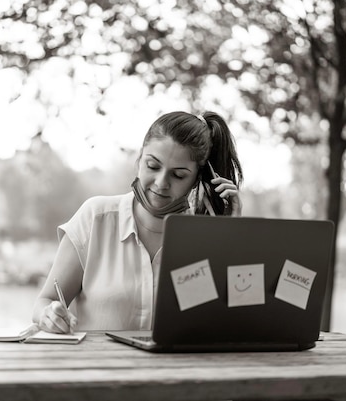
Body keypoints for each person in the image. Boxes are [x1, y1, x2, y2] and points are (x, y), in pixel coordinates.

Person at [30, 111, 243, 333]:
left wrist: (228, 234)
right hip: (97, 366)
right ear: (140, 159)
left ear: (197, 180)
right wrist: (48, 314)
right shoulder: (95, 218)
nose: (161, 183)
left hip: (176, 368)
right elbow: (44, 301)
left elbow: (221, 324)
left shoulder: (204, 239)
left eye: (178, 175)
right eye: (152, 165)